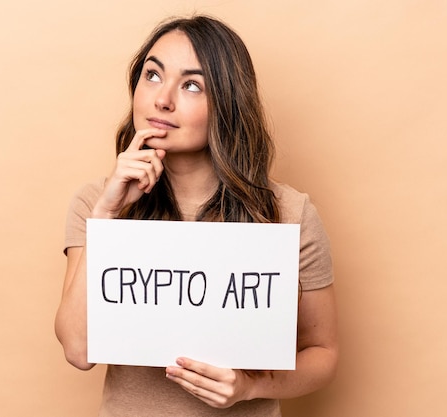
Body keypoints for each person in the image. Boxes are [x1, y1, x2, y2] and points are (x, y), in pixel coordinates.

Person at [55, 14, 338, 417]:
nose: (163, 99)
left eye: (192, 85)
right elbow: (79, 349)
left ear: (226, 101)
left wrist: (250, 386)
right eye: (152, 75)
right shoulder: (95, 204)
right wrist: (107, 214)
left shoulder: (289, 213)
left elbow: (322, 352)